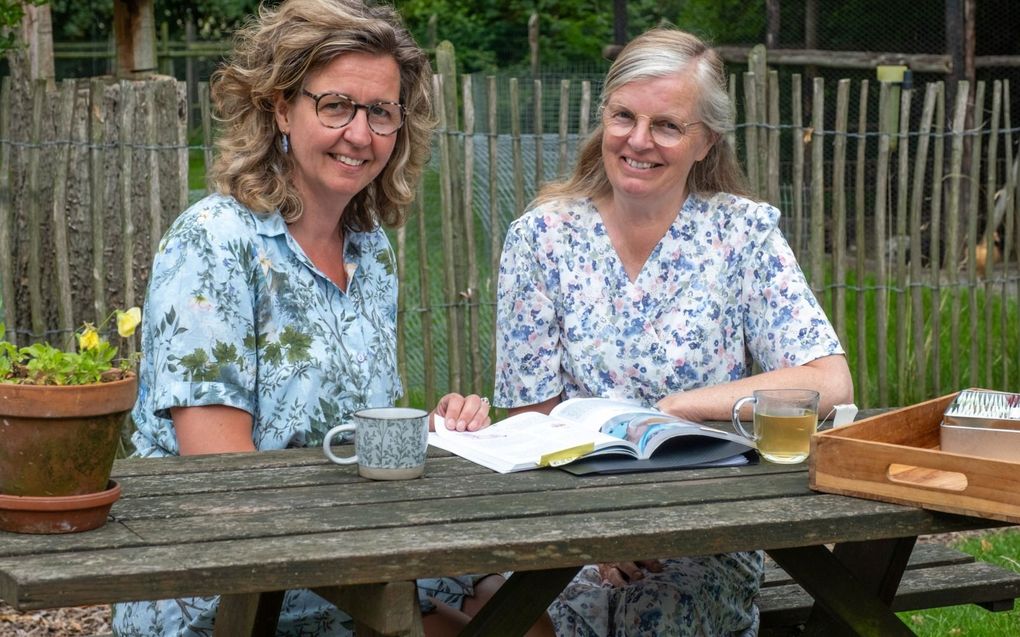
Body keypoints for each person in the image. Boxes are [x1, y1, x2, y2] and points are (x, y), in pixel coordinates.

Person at [112, 1, 527, 635]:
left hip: (348, 555)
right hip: (227, 585)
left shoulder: (370, 249)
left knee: (519, 613)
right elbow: (221, 476)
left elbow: (355, 438)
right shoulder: (215, 243)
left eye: (381, 112)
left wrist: (439, 433)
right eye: (335, 105)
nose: (359, 134)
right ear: (281, 108)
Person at [494, 27, 853, 636]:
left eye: (667, 125)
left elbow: (829, 380)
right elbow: (532, 419)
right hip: (572, 529)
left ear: (705, 140)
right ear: (602, 120)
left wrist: (680, 407)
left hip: (706, 530)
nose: (639, 140)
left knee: (663, 618)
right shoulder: (541, 239)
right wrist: (594, 534)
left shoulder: (743, 236)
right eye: (624, 116)